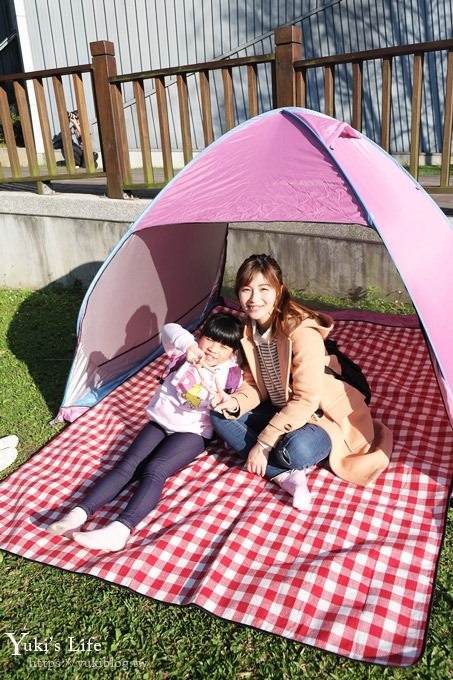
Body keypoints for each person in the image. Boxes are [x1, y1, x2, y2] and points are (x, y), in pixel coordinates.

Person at [211, 254, 393, 511]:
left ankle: (283, 456)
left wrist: (263, 443)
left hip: (320, 416)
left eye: (264, 289)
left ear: (279, 291)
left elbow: (306, 399)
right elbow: (253, 384)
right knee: (221, 415)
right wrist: (234, 401)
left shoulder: (301, 331)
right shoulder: (248, 331)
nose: (254, 299)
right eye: (246, 290)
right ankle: (285, 476)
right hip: (280, 410)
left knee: (294, 451)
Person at [48, 313, 243, 552]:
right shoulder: (184, 353)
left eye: (224, 346)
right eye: (210, 340)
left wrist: (225, 400)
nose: (214, 349)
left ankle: (120, 530)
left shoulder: (232, 375)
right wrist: (189, 346)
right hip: (159, 422)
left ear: (233, 352)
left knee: (155, 469)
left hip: (192, 433)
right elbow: (169, 329)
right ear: (201, 337)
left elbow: (236, 404)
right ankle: (78, 515)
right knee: (127, 464)